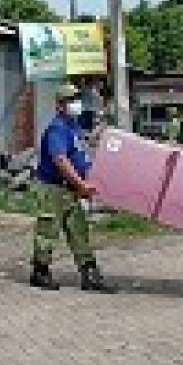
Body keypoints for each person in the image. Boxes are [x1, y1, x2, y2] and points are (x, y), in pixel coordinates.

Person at [29, 83, 117, 293]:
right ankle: (40, 272)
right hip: (53, 188)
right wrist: (81, 184)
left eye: (76, 99)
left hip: (70, 188)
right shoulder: (57, 129)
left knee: (78, 230)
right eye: (70, 101)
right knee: (48, 230)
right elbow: (61, 160)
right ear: (60, 105)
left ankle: (89, 274)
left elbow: (81, 157)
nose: (75, 104)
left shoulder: (74, 128)